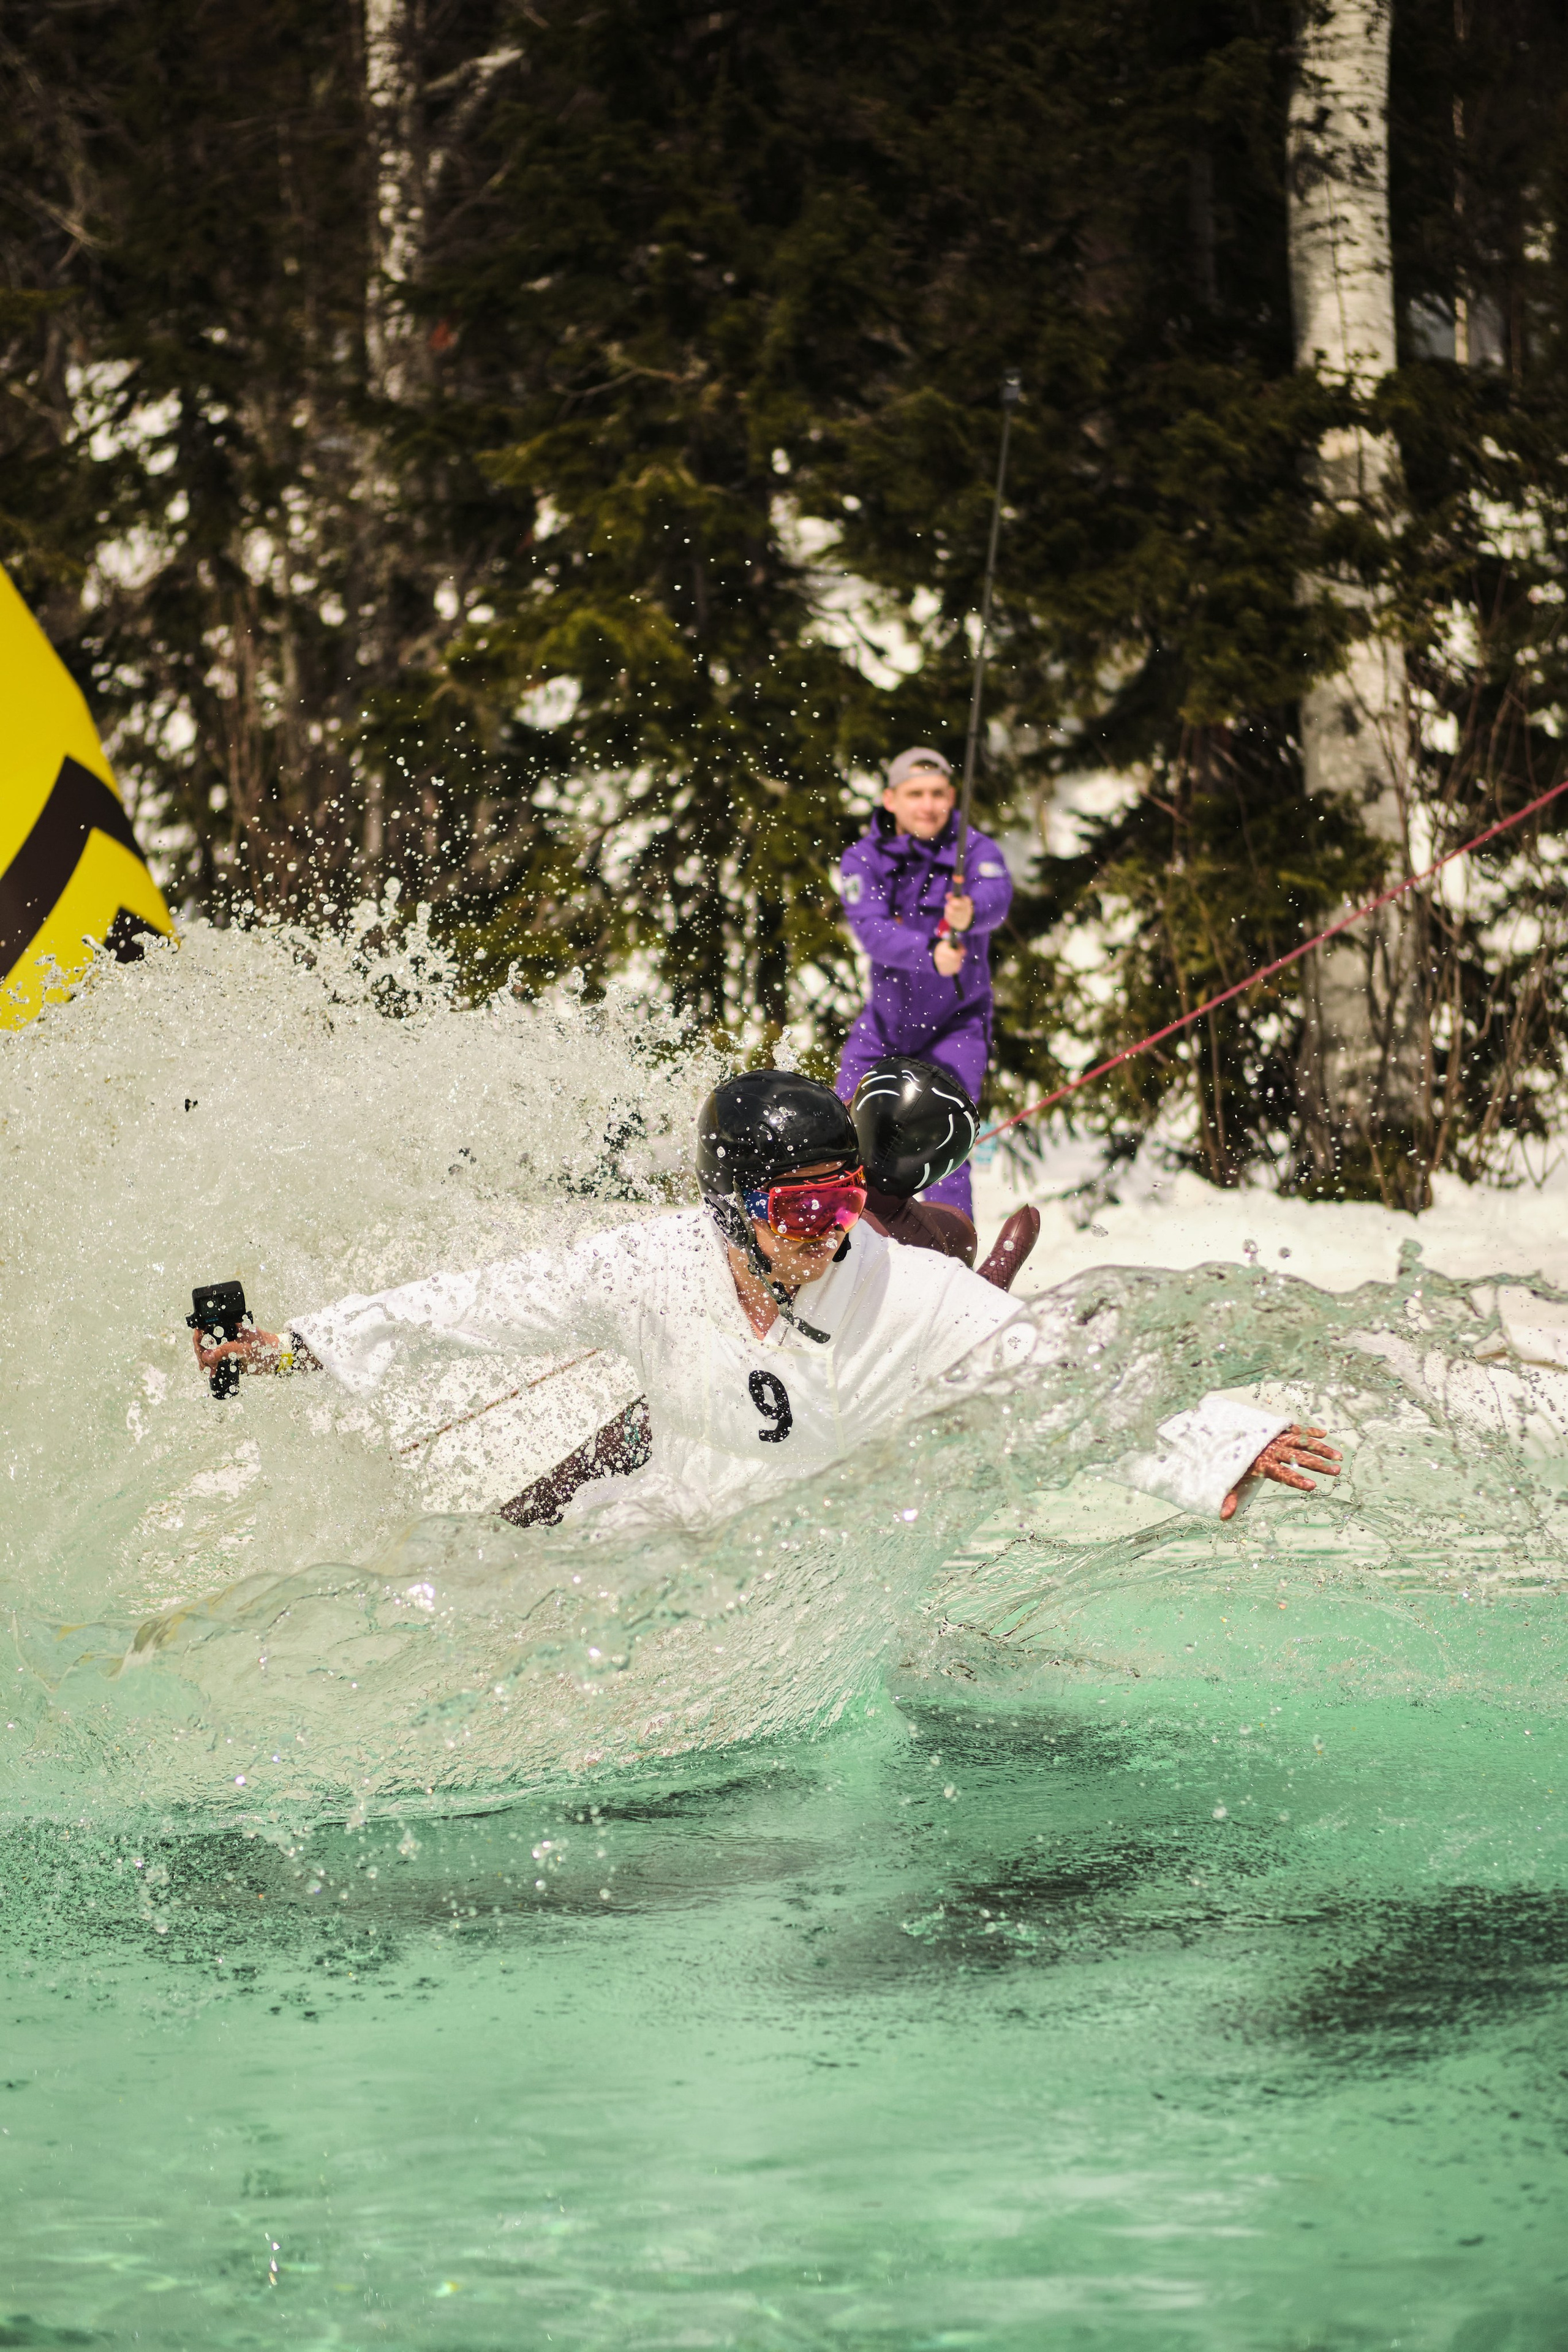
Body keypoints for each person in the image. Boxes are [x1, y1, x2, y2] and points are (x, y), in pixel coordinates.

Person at [191, 1072, 1339, 1537]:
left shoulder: (913, 1295)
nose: (832, 1227)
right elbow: (467, 1307)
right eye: (803, 1205)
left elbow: (1057, 1372)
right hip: (658, 1542)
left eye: (848, 1198)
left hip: (807, 1560)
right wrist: (289, 1349)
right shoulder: (650, 1264)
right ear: (732, 1209)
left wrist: (1223, 1446)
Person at [837, 747, 1013, 1224]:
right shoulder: (862, 859)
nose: (928, 805)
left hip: (956, 1026)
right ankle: (837, 1243)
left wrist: (972, 910)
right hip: (884, 1027)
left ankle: (949, 1257)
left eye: (938, 793)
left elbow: (998, 894)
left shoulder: (975, 849)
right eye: (916, 794)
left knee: (941, 1139)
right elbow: (872, 931)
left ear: (952, 796)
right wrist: (929, 954)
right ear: (891, 799)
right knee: (845, 1131)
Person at [850, 1052, 1041, 1286]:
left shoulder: (824, 1145)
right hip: (900, 1264)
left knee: (958, 1230)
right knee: (960, 1233)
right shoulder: (925, 1245)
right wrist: (1003, 1265)